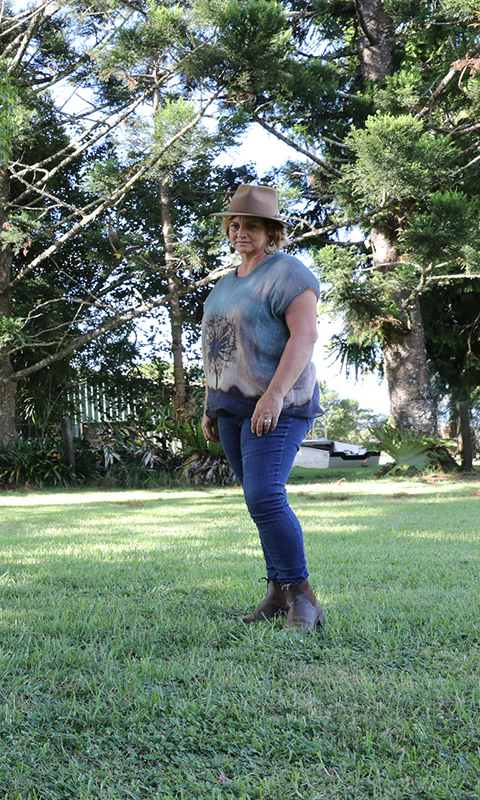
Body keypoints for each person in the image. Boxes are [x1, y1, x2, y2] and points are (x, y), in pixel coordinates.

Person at [200, 184, 325, 633]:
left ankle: (303, 597)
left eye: (251, 225)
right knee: (259, 502)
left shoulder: (289, 273)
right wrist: (211, 403)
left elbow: (304, 337)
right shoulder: (226, 284)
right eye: (234, 224)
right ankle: (277, 594)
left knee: (265, 495)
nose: (240, 231)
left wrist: (273, 395)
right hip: (231, 407)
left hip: (280, 405)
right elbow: (220, 347)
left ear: (272, 231)